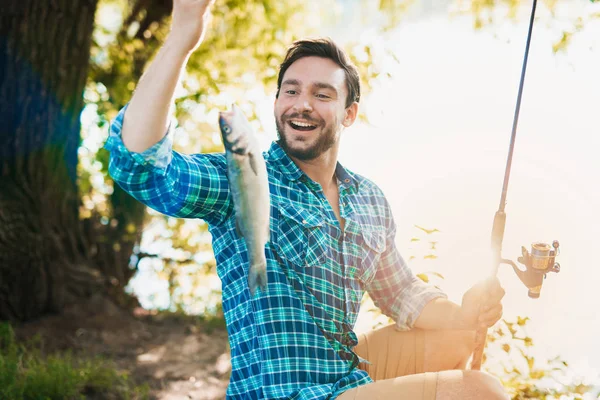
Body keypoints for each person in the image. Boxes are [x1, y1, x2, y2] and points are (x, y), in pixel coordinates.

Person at [104, 0, 508, 398]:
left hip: (343, 372)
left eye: (322, 94)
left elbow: (400, 292)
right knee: (481, 392)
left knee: (458, 333)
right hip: (285, 392)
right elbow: (140, 168)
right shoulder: (241, 178)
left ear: (349, 113)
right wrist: (182, 38)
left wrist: (465, 312)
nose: (302, 103)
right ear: (277, 102)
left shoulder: (368, 198)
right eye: (291, 90)